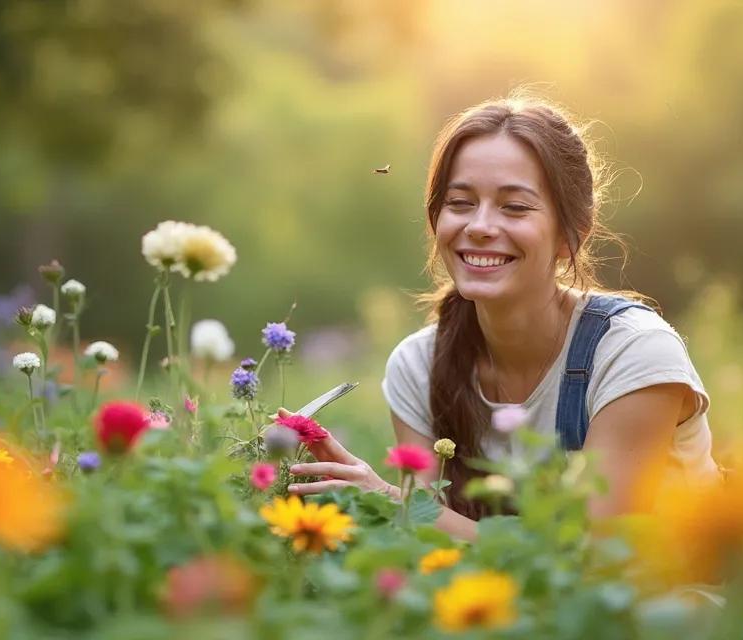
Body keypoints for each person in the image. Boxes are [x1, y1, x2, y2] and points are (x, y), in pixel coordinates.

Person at [286, 93, 718, 540]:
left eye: (514, 207)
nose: (480, 226)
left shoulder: (633, 353)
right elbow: (429, 553)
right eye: (460, 203)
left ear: (571, 234)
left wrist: (392, 503)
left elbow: (592, 559)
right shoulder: (418, 367)